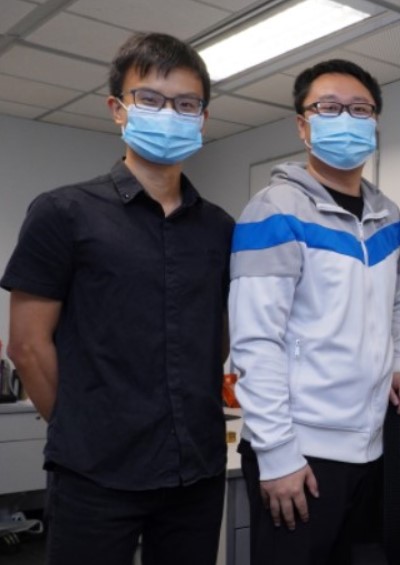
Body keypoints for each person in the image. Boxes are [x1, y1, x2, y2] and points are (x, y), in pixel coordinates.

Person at [1, 32, 232, 564]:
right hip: (95, 473)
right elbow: (28, 347)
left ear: (202, 117)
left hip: (194, 469)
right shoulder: (63, 213)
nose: (169, 113)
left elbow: (212, 337)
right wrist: (85, 425)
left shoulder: (219, 227)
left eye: (186, 104)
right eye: (150, 99)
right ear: (117, 110)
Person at [229, 58, 400, 564]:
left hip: (371, 445)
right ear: (302, 124)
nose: (347, 118)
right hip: (301, 452)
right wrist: (277, 454)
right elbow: (255, 341)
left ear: (375, 121)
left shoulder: (387, 215)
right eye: (329, 108)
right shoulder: (274, 210)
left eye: (360, 109)